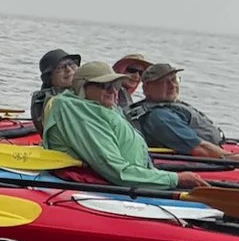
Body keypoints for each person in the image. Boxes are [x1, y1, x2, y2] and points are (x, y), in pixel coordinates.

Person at [43, 62, 207, 189]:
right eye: (106, 86)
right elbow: (115, 170)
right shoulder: (78, 113)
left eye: (116, 86)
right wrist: (175, 179)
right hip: (113, 185)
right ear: (82, 87)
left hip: (134, 178)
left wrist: (159, 176)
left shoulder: (99, 106)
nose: (113, 91)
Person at [128, 63, 228, 159]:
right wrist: (234, 158)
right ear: (147, 89)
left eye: (174, 80)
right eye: (165, 82)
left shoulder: (166, 106)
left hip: (213, 147)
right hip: (198, 159)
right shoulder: (160, 117)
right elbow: (199, 148)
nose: (172, 86)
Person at [29, 48, 80, 131]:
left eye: (71, 64)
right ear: (49, 77)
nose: (69, 70)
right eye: (60, 68)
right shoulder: (48, 100)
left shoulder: (83, 89)